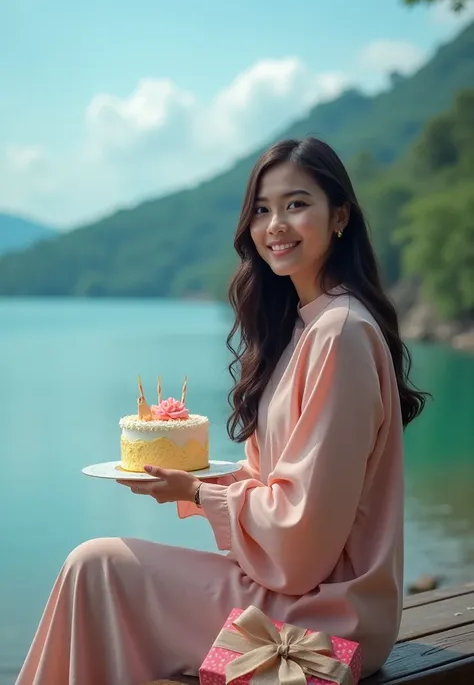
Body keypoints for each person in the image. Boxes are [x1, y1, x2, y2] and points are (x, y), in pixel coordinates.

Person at [15, 137, 428, 685]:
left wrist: (197, 493)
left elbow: (303, 539)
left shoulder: (341, 333)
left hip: (326, 613)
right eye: (262, 209)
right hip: (299, 591)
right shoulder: (306, 327)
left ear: (340, 217)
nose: (275, 224)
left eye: (296, 204)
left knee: (99, 568)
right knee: (99, 569)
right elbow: (295, 489)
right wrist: (196, 482)